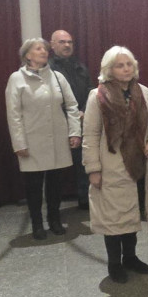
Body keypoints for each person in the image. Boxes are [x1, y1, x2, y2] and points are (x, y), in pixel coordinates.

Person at [82, 46, 148, 283]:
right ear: (109, 69)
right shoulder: (97, 96)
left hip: (141, 165)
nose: (126, 69)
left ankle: (131, 257)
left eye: (129, 64)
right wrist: (93, 169)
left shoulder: (144, 93)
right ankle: (114, 263)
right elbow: (89, 135)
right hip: (111, 166)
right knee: (114, 219)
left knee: (131, 217)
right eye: (120, 65)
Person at [6, 38, 82, 240]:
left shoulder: (57, 77)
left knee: (56, 185)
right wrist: (19, 143)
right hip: (32, 141)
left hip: (57, 139)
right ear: (27, 55)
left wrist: (75, 132)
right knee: (33, 187)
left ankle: (55, 220)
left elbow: (72, 106)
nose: (44, 51)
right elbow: (13, 114)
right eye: (38, 49)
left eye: (45, 49)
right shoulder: (16, 78)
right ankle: (37, 223)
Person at [48, 29, 92, 210]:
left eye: (70, 42)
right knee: (55, 169)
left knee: (83, 164)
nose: (67, 45)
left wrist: (82, 111)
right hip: (56, 124)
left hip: (81, 122)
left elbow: (91, 92)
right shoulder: (47, 69)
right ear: (52, 45)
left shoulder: (80, 67)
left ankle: (85, 201)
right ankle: (53, 209)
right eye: (62, 42)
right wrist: (69, 116)